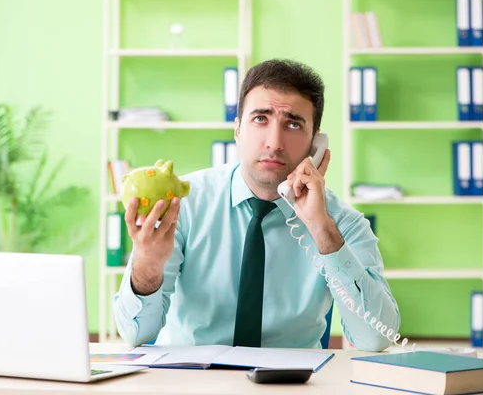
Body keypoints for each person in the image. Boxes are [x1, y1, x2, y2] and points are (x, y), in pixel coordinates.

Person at [113, 58, 400, 352]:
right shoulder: (184, 204)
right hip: (193, 379)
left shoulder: (341, 222)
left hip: (292, 385)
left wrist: (322, 229)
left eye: (293, 124)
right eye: (260, 119)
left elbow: (375, 339)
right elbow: (135, 334)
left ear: (316, 143)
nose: (274, 143)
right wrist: (147, 265)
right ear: (237, 129)